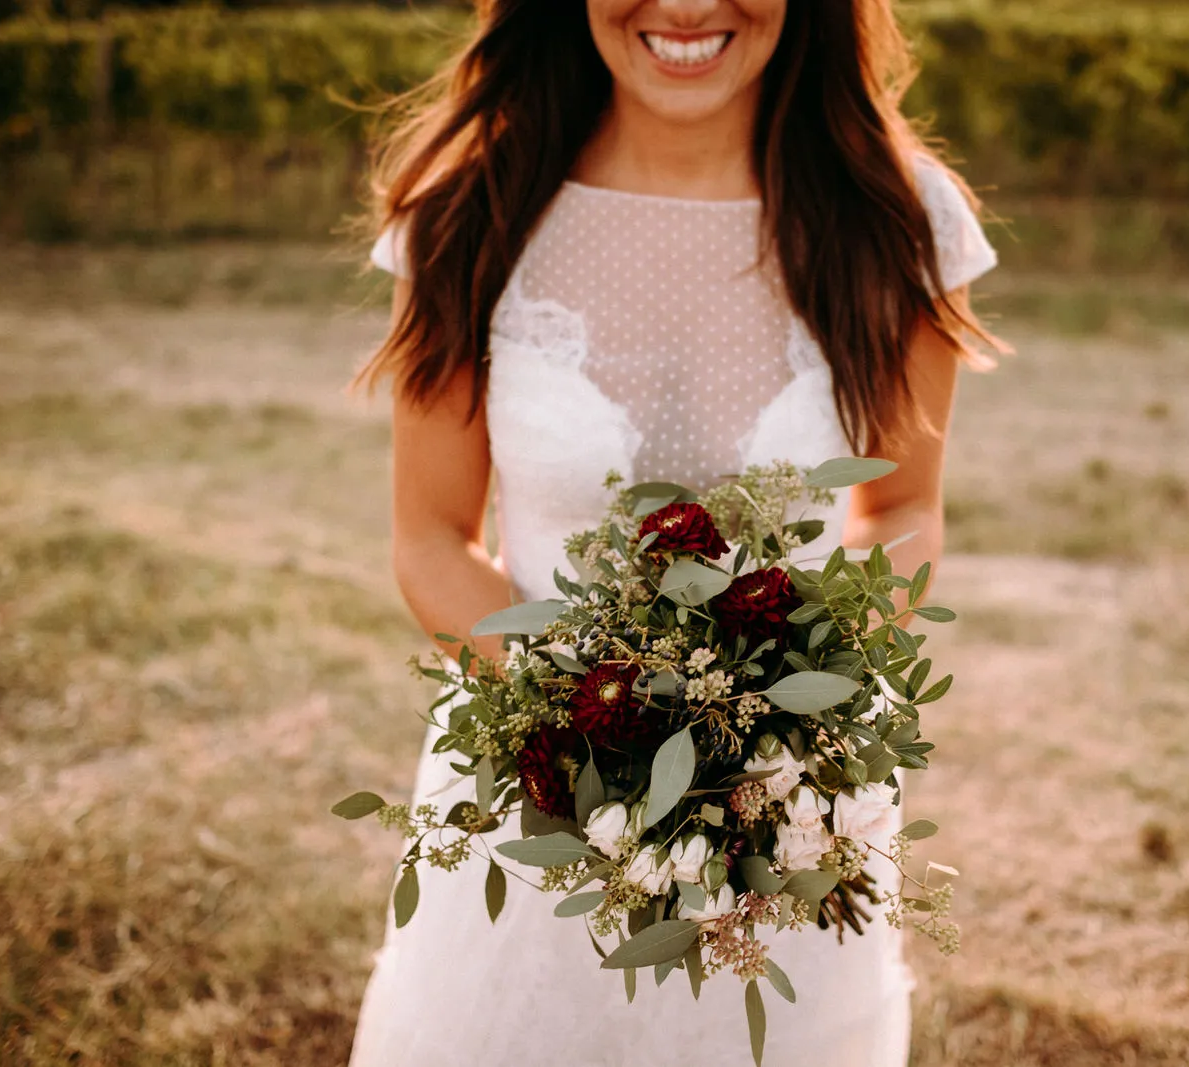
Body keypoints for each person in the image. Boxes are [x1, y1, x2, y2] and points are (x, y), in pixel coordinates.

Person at [347, 2, 1000, 1064]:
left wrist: (784, 728)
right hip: (537, 804)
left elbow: (903, 510)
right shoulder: (472, 205)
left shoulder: (899, 215)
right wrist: (589, 732)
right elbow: (428, 535)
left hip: (791, 814)